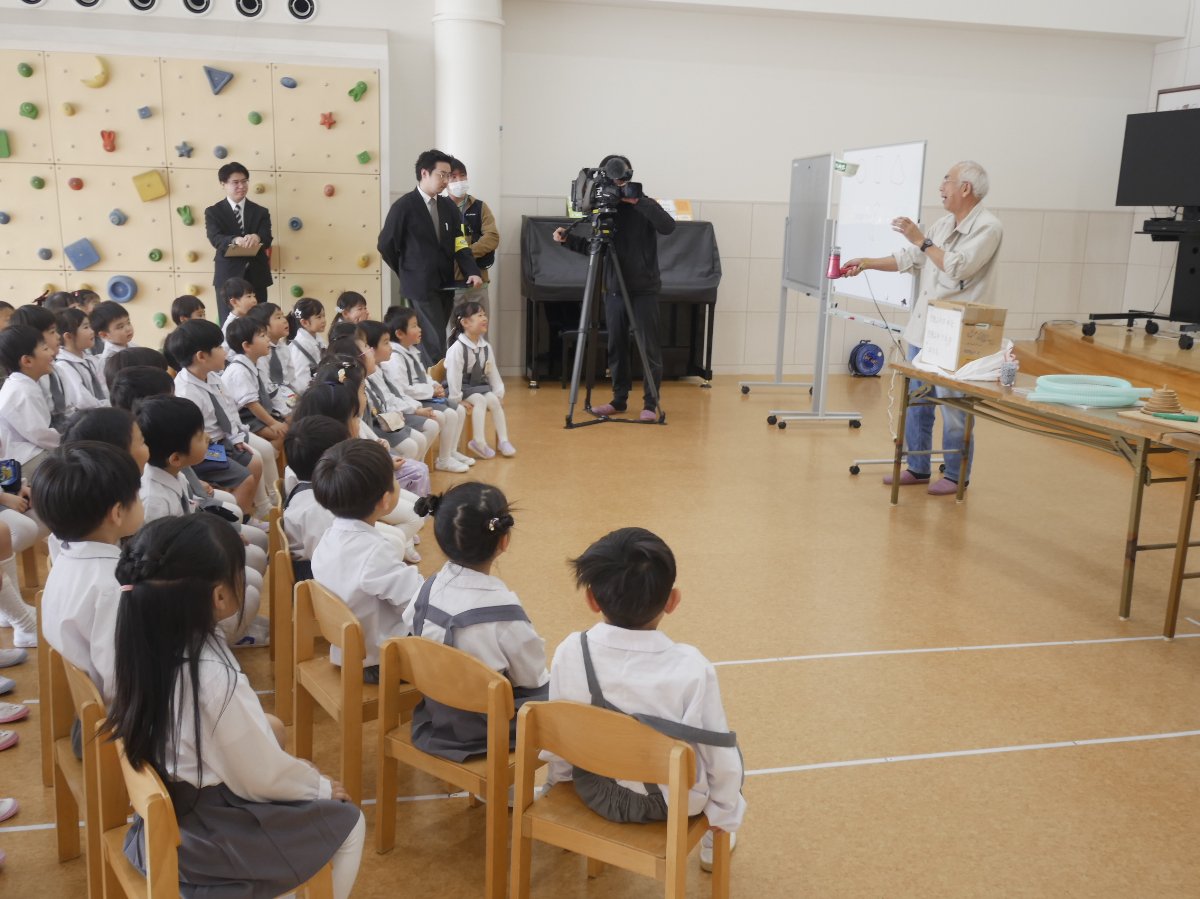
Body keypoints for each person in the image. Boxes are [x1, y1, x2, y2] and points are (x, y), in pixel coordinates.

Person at [102, 515, 364, 899]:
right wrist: (318, 786)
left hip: (167, 819)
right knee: (348, 822)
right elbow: (259, 778)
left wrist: (298, 778)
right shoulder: (211, 674)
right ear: (220, 596)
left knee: (274, 734)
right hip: (210, 840)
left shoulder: (143, 639)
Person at [545, 527, 746, 871]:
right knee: (728, 752)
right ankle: (715, 842)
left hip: (592, 787)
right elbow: (720, 762)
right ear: (673, 601)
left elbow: (560, 733)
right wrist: (724, 816)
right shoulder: (692, 669)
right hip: (667, 805)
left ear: (592, 599)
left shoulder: (570, 650)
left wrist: (557, 783)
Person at [842, 160, 1004, 495]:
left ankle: (956, 474)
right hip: (925, 329)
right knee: (917, 400)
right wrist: (868, 263)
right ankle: (917, 468)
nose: (940, 187)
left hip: (959, 335)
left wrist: (922, 240)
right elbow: (910, 259)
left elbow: (958, 267)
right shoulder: (944, 224)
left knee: (954, 406)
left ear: (966, 188)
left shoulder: (988, 227)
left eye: (947, 180)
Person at [402, 482, 548, 760]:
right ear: (503, 542)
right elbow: (531, 675)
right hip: (489, 728)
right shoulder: (503, 611)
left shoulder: (427, 586)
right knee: (563, 690)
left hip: (436, 713)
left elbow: (410, 629)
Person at [553, 154, 675, 421]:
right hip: (614, 288)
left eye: (622, 175)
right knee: (616, 346)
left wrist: (638, 201)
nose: (617, 181)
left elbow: (668, 226)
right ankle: (619, 400)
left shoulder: (644, 203)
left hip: (644, 288)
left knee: (647, 347)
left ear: (629, 174)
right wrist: (568, 240)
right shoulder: (604, 210)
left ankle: (650, 404)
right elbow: (595, 247)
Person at [135, 396, 265, 640]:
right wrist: (220, 549)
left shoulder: (174, 473)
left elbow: (193, 514)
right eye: (199, 436)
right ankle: (220, 637)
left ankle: (241, 621)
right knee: (253, 582)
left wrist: (223, 534)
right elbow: (165, 563)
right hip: (181, 583)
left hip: (194, 551)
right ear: (176, 457)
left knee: (256, 554)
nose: (207, 438)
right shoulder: (153, 499)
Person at [33, 441, 144, 701]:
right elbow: (122, 683)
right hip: (115, 726)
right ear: (117, 513)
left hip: (87, 709)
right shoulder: (113, 588)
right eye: (137, 495)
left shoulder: (64, 557)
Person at [310, 439, 422, 683]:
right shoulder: (373, 552)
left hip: (345, 650)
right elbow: (417, 601)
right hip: (379, 660)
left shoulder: (329, 536)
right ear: (385, 500)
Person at [377, 148, 483, 364]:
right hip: (419, 285)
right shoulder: (404, 206)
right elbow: (385, 244)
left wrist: (472, 270)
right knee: (435, 340)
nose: (446, 180)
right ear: (424, 173)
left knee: (429, 337)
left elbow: (460, 243)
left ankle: (425, 382)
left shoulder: (448, 207)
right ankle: (439, 387)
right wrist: (405, 269)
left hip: (444, 283)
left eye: (448, 175)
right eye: (441, 174)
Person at [167, 319, 264, 517]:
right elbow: (193, 437)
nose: (225, 352)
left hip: (223, 439)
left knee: (255, 462)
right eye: (219, 347)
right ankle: (239, 522)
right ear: (201, 356)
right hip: (203, 449)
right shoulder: (186, 392)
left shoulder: (212, 375)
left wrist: (236, 438)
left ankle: (248, 513)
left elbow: (228, 409)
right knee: (245, 479)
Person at [384, 306, 472, 473]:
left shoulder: (411, 350)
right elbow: (403, 389)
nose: (419, 329)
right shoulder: (395, 357)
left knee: (458, 410)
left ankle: (450, 453)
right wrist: (430, 391)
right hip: (411, 401)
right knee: (447, 414)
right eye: (414, 326)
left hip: (421, 396)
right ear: (400, 333)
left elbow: (423, 376)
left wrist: (433, 385)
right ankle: (443, 459)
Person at [205, 161, 274, 321]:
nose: (241, 186)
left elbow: (267, 237)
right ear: (223, 184)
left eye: (244, 181)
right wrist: (235, 240)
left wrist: (257, 237)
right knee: (229, 324)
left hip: (256, 274)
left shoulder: (260, 211)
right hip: (228, 277)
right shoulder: (213, 212)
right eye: (235, 182)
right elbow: (215, 238)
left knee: (260, 322)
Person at [445, 301, 514, 459]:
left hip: (477, 385)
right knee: (480, 401)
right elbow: (453, 377)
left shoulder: (485, 347)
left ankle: (503, 441)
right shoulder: (457, 348)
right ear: (465, 323)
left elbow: (492, 372)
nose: (485, 318)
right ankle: (479, 442)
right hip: (461, 387)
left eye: (484, 314)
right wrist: (456, 399)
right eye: (479, 315)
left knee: (493, 401)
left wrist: (498, 393)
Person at [0, 324, 61, 472]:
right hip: (25, 460)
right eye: (45, 348)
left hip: (31, 454)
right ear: (27, 361)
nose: (52, 353)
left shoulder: (22, 384)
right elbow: (40, 435)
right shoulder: (21, 391)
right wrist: (68, 439)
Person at [446, 157, 499, 305]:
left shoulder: (480, 207)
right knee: (452, 327)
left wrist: (466, 253)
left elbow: (492, 237)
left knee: (480, 325)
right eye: (453, 177)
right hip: (450, 282)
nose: (459, 180)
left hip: (478, 281)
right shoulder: (440, 208)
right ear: (445, 181)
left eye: (462, 175)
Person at [248, 302, 297, 417]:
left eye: (283, 316)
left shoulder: (284, 348)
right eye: (278, 317)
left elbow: (291, 378)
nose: (285, 320)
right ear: (263, 327)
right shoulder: (260, 353)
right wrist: (285, 411)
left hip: (286, 394)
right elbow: (266, 386)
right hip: (269, 401)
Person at [54, 308, 108, 411]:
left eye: (90, 326)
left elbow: (104, 387)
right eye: (86, 327)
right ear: (68, 336)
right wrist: (110, 406)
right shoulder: (63, 366)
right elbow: (83, 401)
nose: (92, 331)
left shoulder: (90, 360)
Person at [288, 298, 327, 393]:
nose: (324, 320)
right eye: (319, 317)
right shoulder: (299, 346)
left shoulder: (318, 338)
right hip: (311, 395)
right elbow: (301, 382)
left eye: (324, 316)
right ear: (304, 322)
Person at [89, 301, 136, 368]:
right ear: (104, 335)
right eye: (120, 327)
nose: (128, 328)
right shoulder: (110, 360)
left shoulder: (132, 345)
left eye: (128, 322)